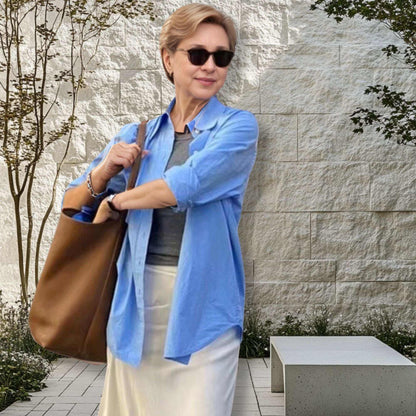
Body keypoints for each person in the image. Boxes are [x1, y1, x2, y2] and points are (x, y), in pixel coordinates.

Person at [61, 3, 258, 416]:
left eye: (221, 56)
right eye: (197, 54)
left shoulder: (238, 128)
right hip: (135, 303)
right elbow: (73, 202)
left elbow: (184, 186)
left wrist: (117, 200)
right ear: (169, 59)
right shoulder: (138, 135)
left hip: (205, 305)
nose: (210, 66)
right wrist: (105, 172)